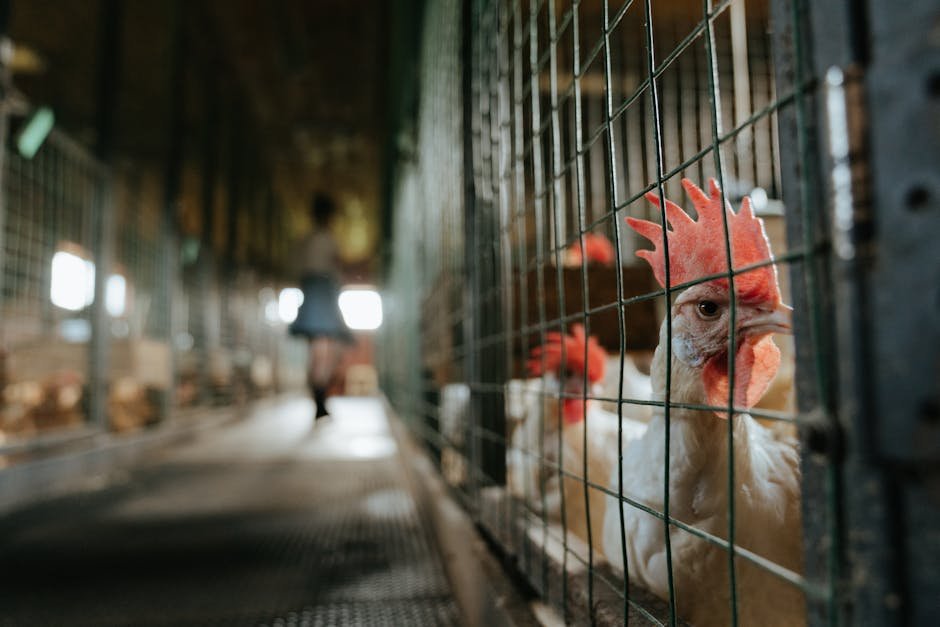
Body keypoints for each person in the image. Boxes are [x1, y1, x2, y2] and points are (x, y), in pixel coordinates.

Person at [289, 193, 352, 420]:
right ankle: (320, 398)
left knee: (318, 351)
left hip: (314, 293)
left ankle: (319, 398)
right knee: (325, 351)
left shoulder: (306, 241)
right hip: (322, 293)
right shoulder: (327, 240)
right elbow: (336, 268)